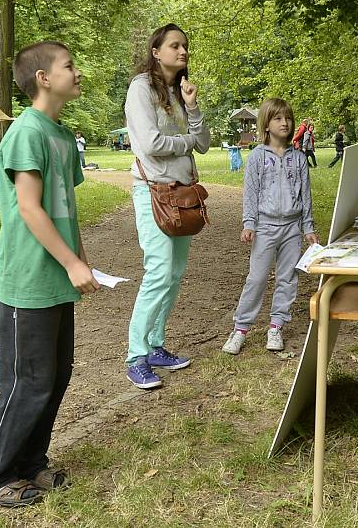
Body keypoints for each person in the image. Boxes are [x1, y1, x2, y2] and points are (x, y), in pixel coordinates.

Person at [0, 40, 100, 507]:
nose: (78, 72)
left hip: (57, 279)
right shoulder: (26, 133)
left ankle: (30, 464)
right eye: (69, 66)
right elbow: (28, 208)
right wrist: (70, 261)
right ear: (44, 78)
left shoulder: (62, 136)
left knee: (56, 376)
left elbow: (66, 206)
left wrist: (81, 261)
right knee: (27, 381)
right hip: (27, 279)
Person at [124, 23, 210, 390]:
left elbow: (204, 142)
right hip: (153, 192)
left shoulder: (179, 93)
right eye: (175, 45)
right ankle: (135, 356)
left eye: (186, 46)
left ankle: (156, 345)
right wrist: (186, 140)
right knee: (158, 272)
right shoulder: (141, 88)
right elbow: (151, 142)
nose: (183, 51)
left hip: (183, 194)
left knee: (174, 275)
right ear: (156, 51)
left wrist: (192, 108)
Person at [222, 98, 318, 355]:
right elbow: (250, 193)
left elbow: (305, 195)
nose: (284, 122)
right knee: (257, 278)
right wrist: (249, 223)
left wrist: (307, 227)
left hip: (292, 229)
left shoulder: (298, 158)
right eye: (277, 118)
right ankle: (241, 328)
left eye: (287, 118)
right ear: (266, 124)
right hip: (264, 226)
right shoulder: (256, 157)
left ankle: (276, 327)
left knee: (288, 278)